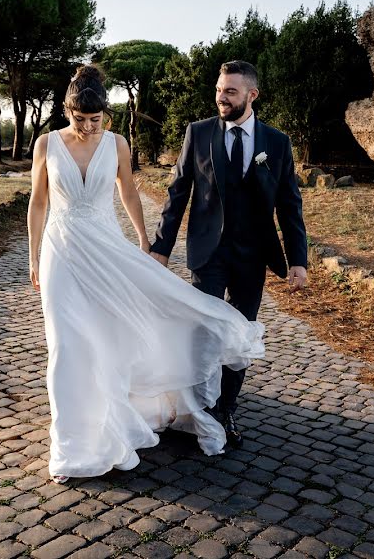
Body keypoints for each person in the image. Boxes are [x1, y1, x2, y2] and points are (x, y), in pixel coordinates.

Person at [27, 65, 265, 483]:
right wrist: (33, 259)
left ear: (108, 116)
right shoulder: (46, 145)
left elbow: (128, 193)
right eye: (79, 120)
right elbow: (38, 203)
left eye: (95, 120)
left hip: (105, 248)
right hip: (61, 251)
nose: (86, 127)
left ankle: (116, 417)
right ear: (67, 111)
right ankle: (73, 447)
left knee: (107, 336)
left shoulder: (117, 144)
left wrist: (146, 243)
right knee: (65, 345)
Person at [150, 60, 308, 447]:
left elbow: (290, 205)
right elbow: (177, 193)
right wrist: (161, 249)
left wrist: (298, 260)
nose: (222, 97)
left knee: (239, 334)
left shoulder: (277, 142)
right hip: (209, 253)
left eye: (231, 91)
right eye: (220, 89)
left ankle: (227, 410)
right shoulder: (198, 133)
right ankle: (197, 408)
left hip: (253, 256)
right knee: (204, 331)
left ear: (252, 95)